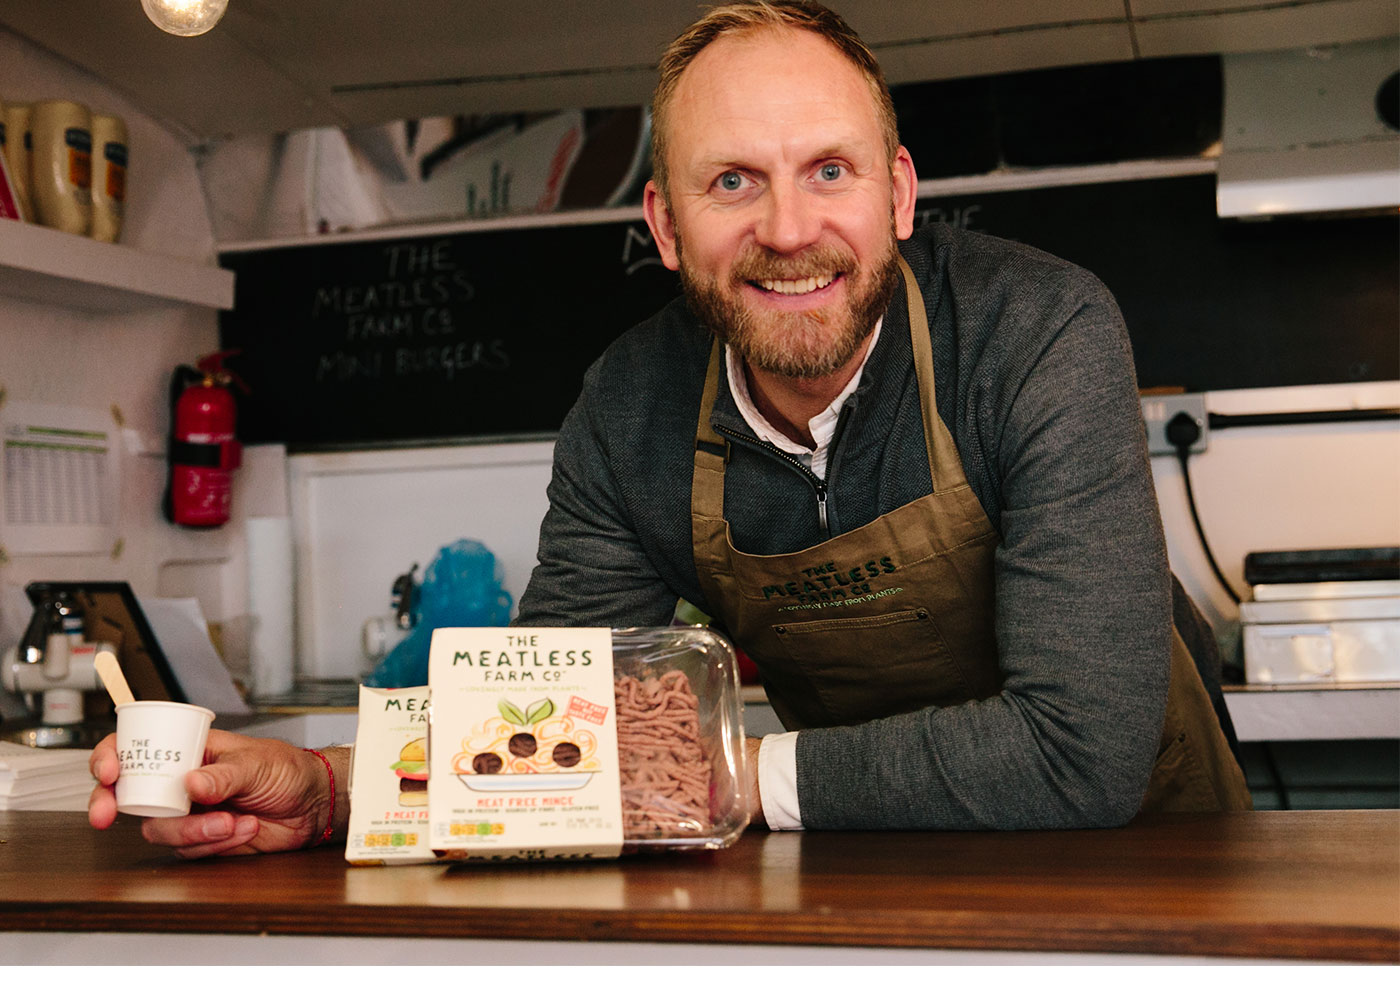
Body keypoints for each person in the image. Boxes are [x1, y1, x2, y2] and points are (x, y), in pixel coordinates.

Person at [88, 0, 1250, 858]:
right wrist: (330, 787)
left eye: (828, 170)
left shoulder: (1035, 332)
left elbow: (1075, 752)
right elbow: (547, 714)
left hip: (1146, 856)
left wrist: (720, 777)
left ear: (898, 194)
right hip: (863, 866)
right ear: (665, 223)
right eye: (731, 181)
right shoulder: (629, 409)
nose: (787, 229)